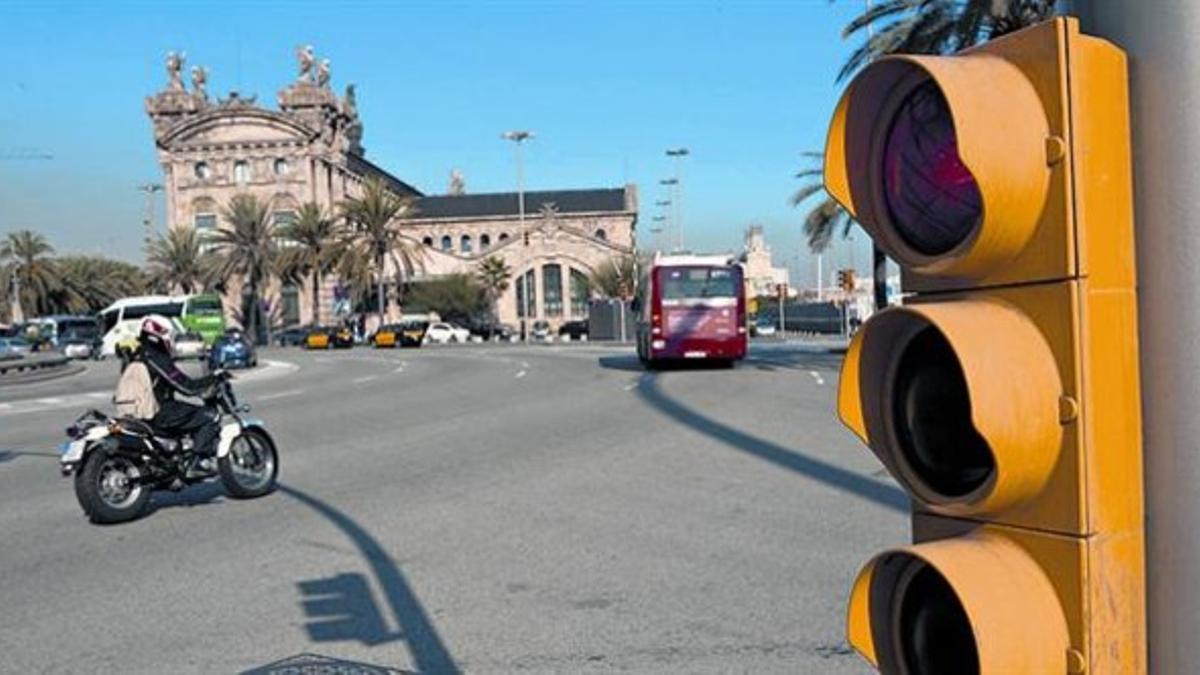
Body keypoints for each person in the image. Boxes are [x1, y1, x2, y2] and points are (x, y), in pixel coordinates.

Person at [133, 315, 224, 476]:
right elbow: (185, 387)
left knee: (184, 414)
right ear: (160, 334)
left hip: (135, 412)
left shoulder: (135, 356)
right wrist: (212, 379)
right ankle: (197, 462)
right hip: (159, 411)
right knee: (210, 415)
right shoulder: (156, 358)